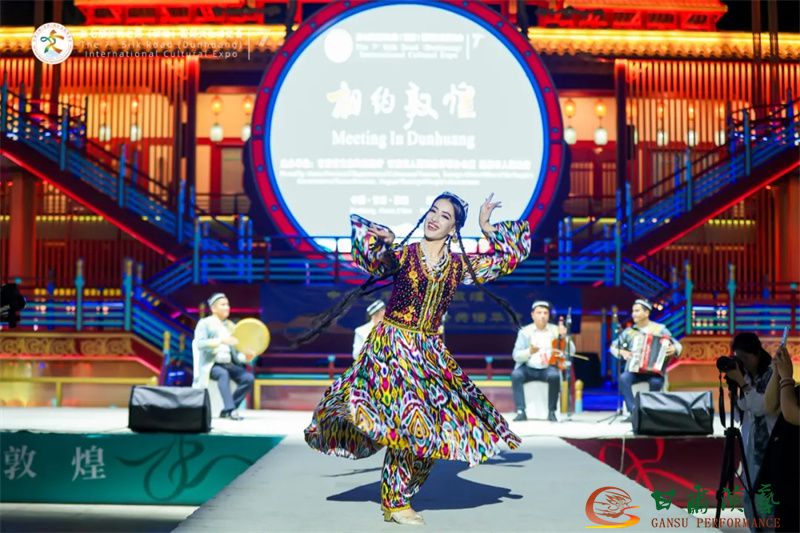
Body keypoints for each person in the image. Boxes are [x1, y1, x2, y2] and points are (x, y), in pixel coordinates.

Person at [304, 192, 530, 525]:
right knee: (410, 425)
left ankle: (399, 496)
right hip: (392, 349)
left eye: (445, 216)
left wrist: (486, 227)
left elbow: (509, 257)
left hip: (428, 353)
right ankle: (395, 502)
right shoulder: (404, 254)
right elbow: (372, 261)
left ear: (454, 229)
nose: (435, 218)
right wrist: (384, 241)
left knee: (432, 434)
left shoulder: (458, 266)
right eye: (433, 211)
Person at [610, 298, 682, 420]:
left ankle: (650, 413)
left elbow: (676, 344)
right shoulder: (629, 332)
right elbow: (613, 346)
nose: (633, 314)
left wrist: (674, 349)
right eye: (633, 311)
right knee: (623, 378)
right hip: (635, 371)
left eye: (637, 311)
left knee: (656, 382)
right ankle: (634, 412)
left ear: (646, 313)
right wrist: (622, 352)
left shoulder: (660, 329)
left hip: (654, 371)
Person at [192, 293, 255, 420]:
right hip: (212, 364)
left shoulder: (231, 326)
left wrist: (246, 357)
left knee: (248, 378)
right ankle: (231, 410)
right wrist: (220, 340)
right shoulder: (205, 323)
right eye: (223, 305)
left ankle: (229, 408)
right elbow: (199, 344)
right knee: (223, 374)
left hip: (229, 363)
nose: (227, 307)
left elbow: (237, 352)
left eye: (228, 304)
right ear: (213, 308)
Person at [510, 301, 573, 422]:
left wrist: (565, 337)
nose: (542, 316)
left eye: (545, 313)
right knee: (516, 375)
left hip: (547, 368)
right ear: (532, 315)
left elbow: (571, 351)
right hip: (528, 367)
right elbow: (516, 355)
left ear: (549, 316)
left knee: (554, 376)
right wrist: (529, 351)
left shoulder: (556, 330)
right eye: (539, 313)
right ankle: (521, 411)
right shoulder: (525, 332)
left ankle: (552, 412)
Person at [760, 344, 799, 532]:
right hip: (788, 480)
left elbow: (792, 414)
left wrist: (786, 377)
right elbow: (771, 405)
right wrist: (777, 372)